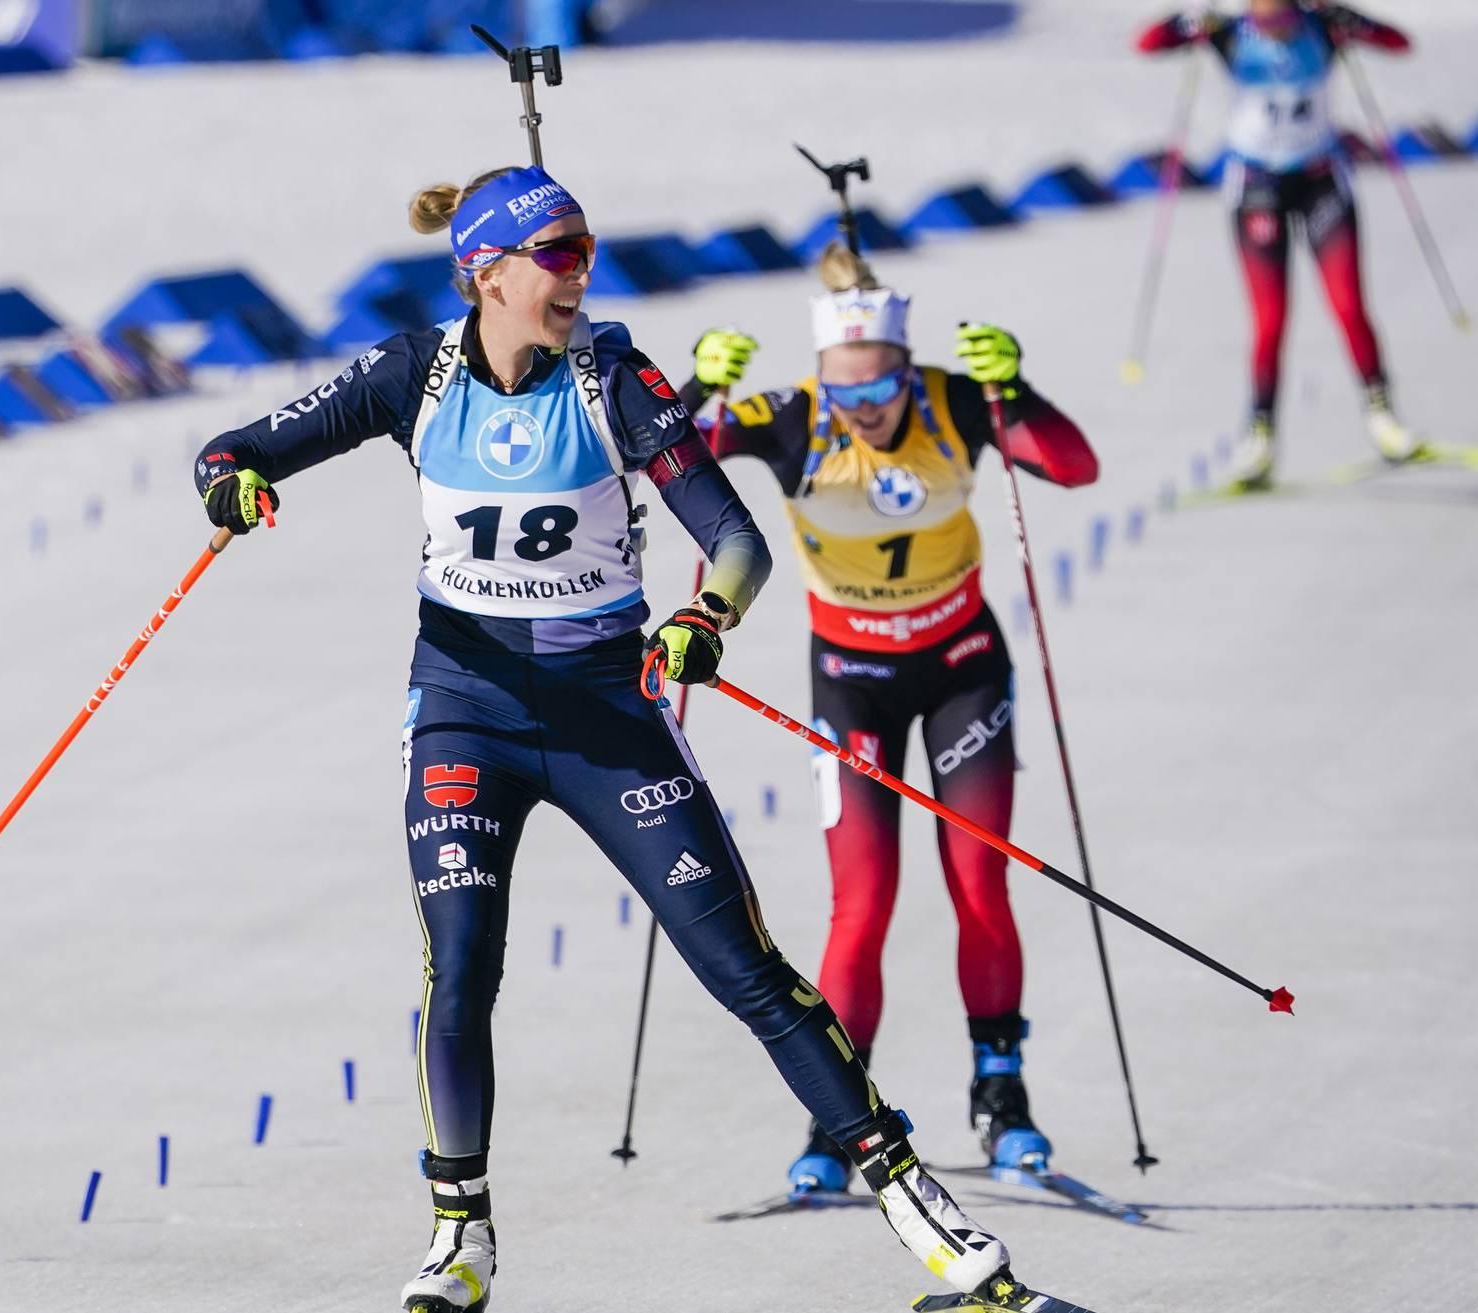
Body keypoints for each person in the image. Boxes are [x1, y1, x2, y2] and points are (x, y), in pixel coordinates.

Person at [193, 166, 1086, 1312]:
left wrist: (704, 617)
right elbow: (237, 447)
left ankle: (939, 1231)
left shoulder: (613, 373)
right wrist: (231, 484)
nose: (580, 272)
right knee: (458, 968)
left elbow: (736, 539)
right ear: (489, 272)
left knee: (747, 972)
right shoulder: (413, 373)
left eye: (586, 249)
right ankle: (458, 1238)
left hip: (610, 715)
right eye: (557, 254)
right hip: (465, 707)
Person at [675, 244, 1100, 1197]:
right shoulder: (787, 416)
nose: (865, 411)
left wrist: (1017, 390)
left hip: (960, 669)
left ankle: (1003, 1095)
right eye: (847, 393)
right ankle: (837, 1113)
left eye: (881, 391)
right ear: (821, 376)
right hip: (852, 681)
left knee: (980, 883)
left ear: (907, 369)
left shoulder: (952, 400)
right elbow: (661, 460)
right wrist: (695, 389)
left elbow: (1075, 465)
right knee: (861, 906)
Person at [1136, 0, 1419, 489]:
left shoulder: (1324, 27)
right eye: (1264, 17)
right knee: (1270, 321)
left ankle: (1383, 416)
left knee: (1349, 306)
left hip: (1321, 180)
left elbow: (1399, 45)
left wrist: (1359, 23)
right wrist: (1185, 23)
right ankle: (1260, 437)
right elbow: (1147, 44)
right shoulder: (1229, 34)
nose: (1275, 28)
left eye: (1283, 17)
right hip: (1256, 186)